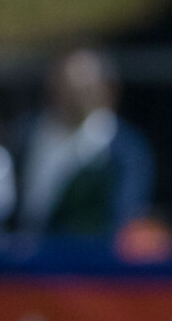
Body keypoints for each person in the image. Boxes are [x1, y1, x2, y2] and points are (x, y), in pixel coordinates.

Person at [13, 47, 156, 236]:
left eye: (84, 89)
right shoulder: (27, 132)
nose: (75, 98)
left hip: (91, 259)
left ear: (106, 90)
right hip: (24, 256)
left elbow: (126, 214)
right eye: (67, 87)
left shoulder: (126, 148)